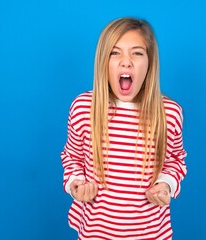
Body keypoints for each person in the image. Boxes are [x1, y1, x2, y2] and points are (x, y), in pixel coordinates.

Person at [60, 17, 187, 240]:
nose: (126, 62)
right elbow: (72, 157)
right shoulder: (83, 108)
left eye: (137, 53)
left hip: (150, 233)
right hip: (95, 232)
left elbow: (175, 160)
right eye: (115, 53)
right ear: (103, 61)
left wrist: (165, 184)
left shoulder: (169, 113)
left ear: (150, 62)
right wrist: (75, 184)